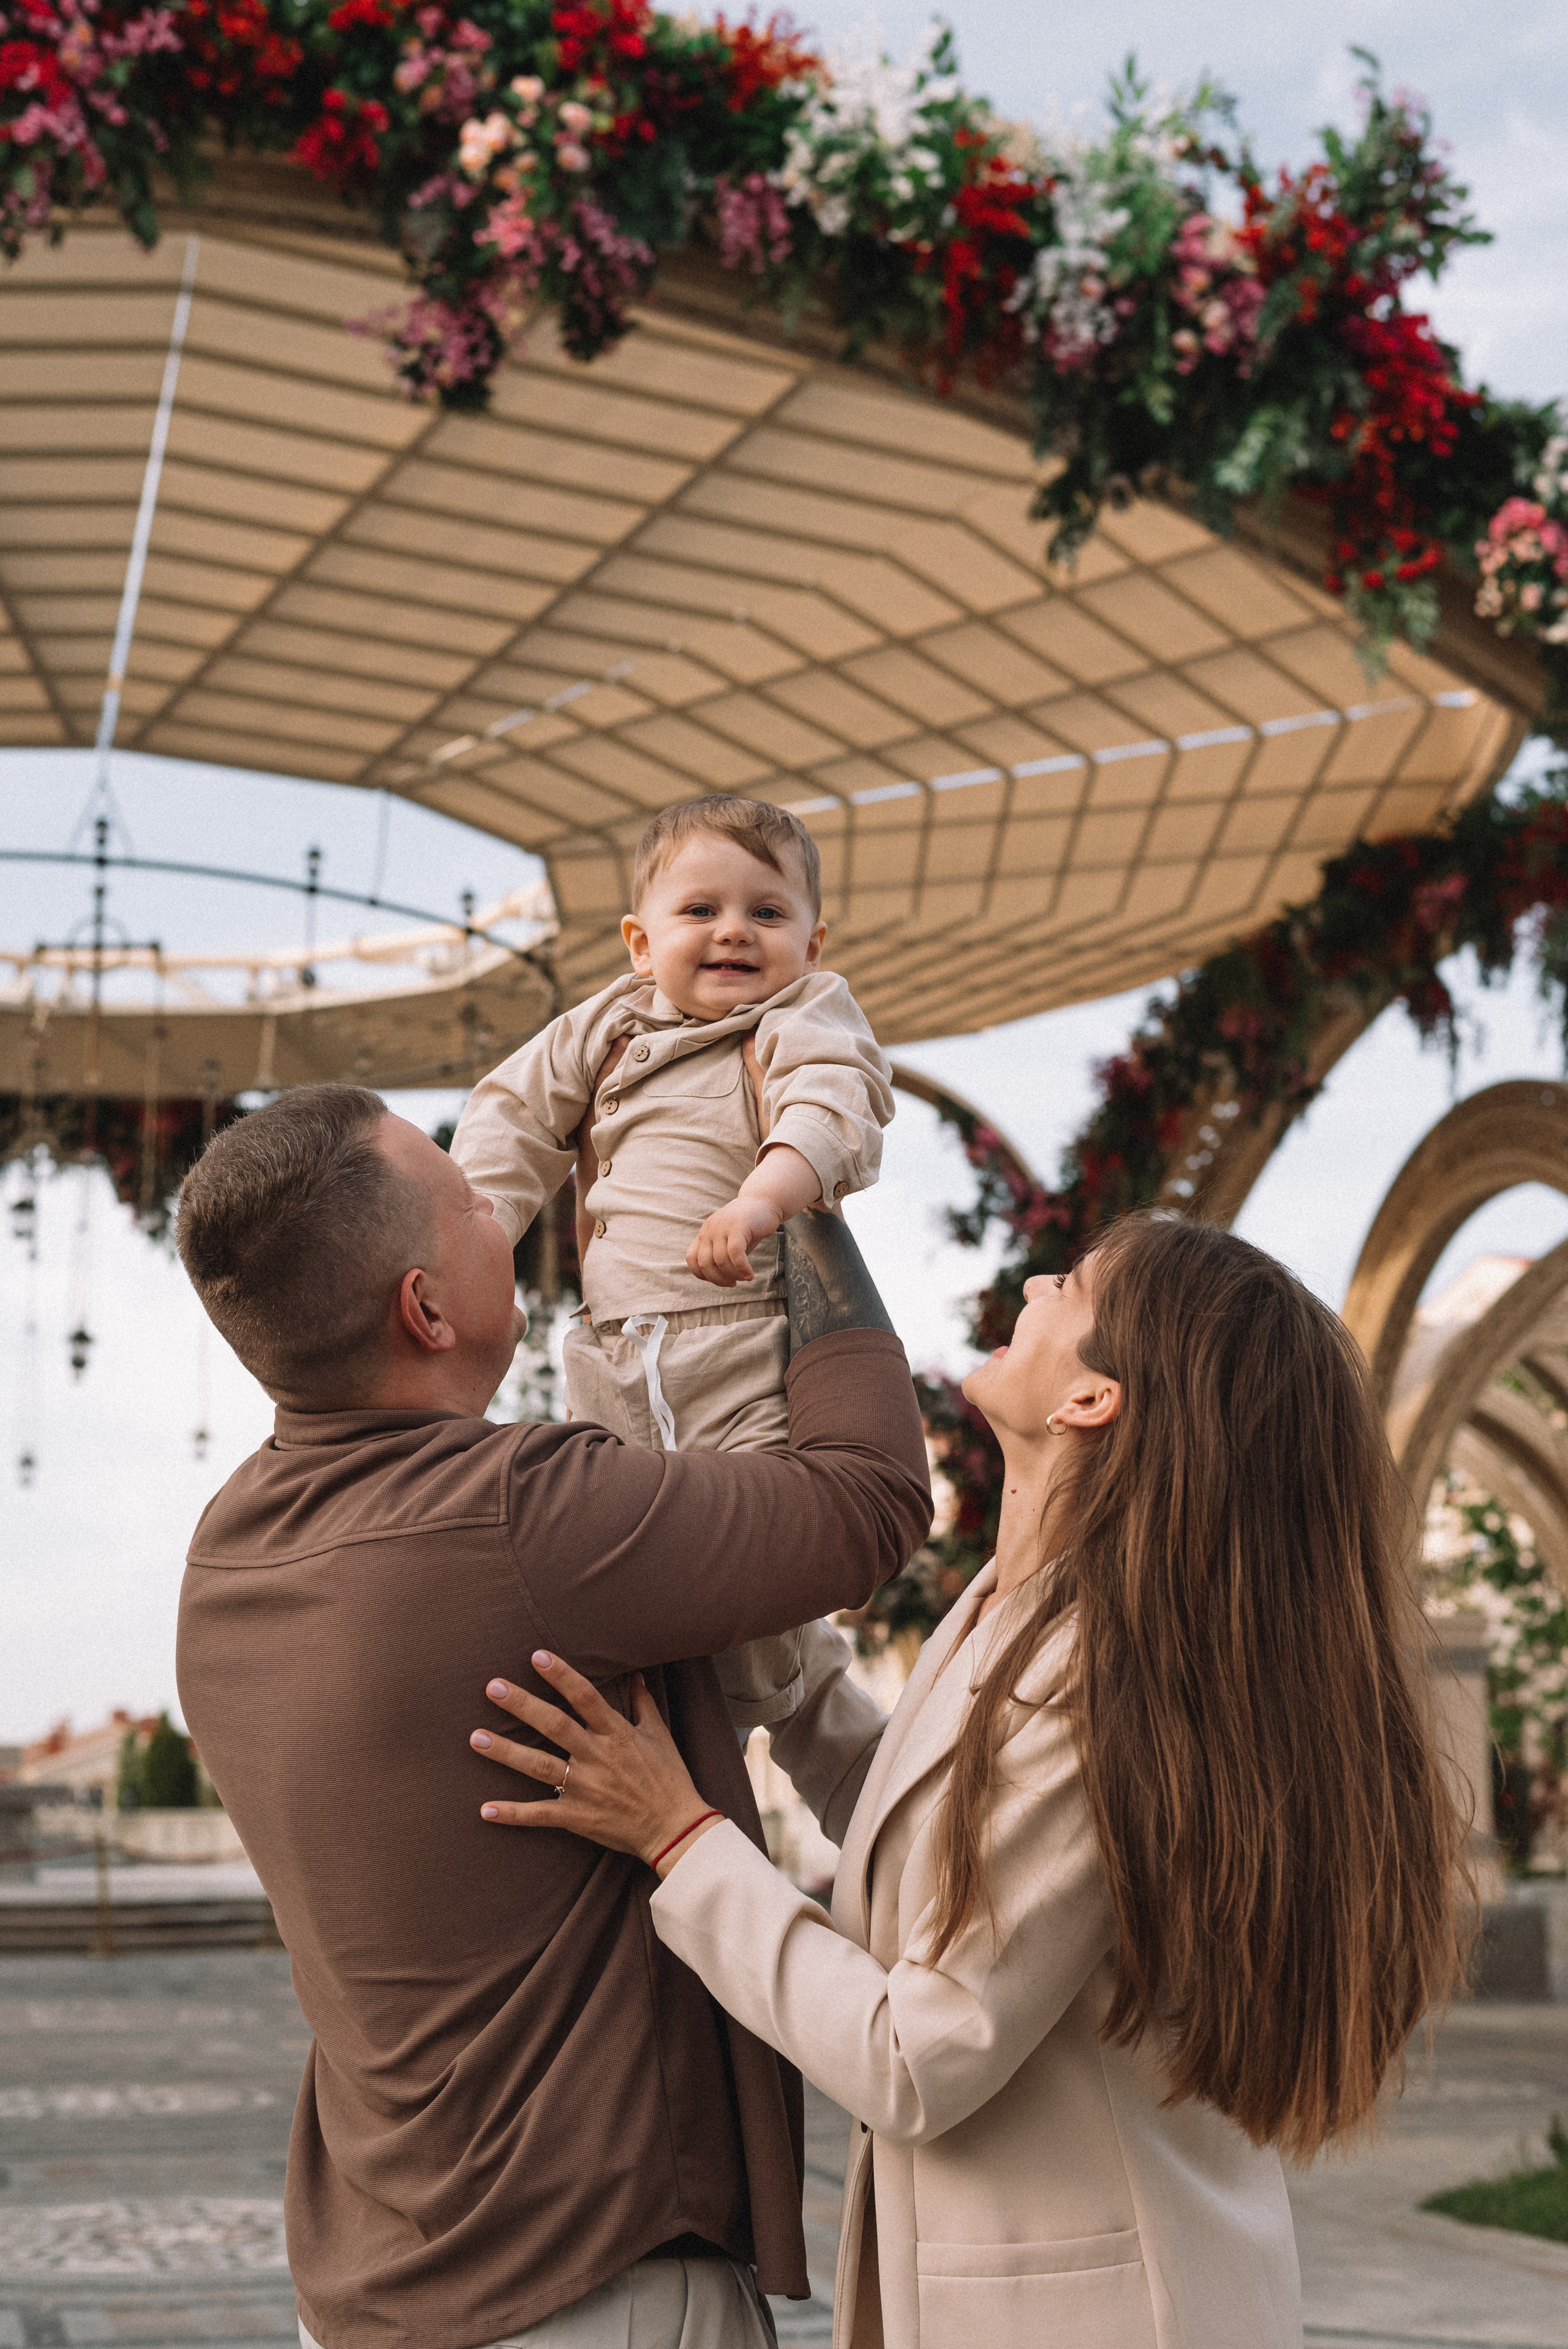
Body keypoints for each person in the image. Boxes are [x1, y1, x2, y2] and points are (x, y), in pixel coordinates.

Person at [469, 1213, 1472, 2349]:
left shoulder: (1105, 1680)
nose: (1039, 1281)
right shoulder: (1021, 1602)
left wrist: (677, 1836)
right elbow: (934, 1837)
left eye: (1076, 1287)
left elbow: (913, 2056)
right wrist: (780, 1665)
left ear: (1092, 1400)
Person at [173, 1083, 931, 2349]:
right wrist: (804, 1199)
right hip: (584, 2286)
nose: (501, 1202)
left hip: (376, 2283)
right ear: (421, 1308)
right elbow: (868, 1501)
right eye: (466, 1195)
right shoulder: (519, 1512)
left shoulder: (228, 1554)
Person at [451, 792, 894, 1729]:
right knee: (620, 1570)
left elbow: (834, 1102)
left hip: (739, 1341)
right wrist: (477, 1226)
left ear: (812, 945)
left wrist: (763, 1196)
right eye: (701, 910)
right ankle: (712, 1760)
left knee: (751, 1606)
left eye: (767, 913)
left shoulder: (801, 1014)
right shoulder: (604, 1028)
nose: (734, 932)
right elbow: (514, 1112)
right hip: (609, 1355)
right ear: (641, 944)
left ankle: (782, 1749)